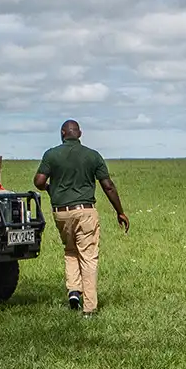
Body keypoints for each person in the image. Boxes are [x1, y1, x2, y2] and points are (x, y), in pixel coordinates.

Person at [34, 119, 128, 315]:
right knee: (88, 256)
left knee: (70, 250)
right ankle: (89, 308)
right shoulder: (93, 155)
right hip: (85, 211)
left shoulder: (51, 154)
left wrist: (51, 188)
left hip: (61, 212)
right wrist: (120, 211)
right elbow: (108, 186)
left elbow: (39, 181)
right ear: (80, 133)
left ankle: (74, 291)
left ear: (62, 133)